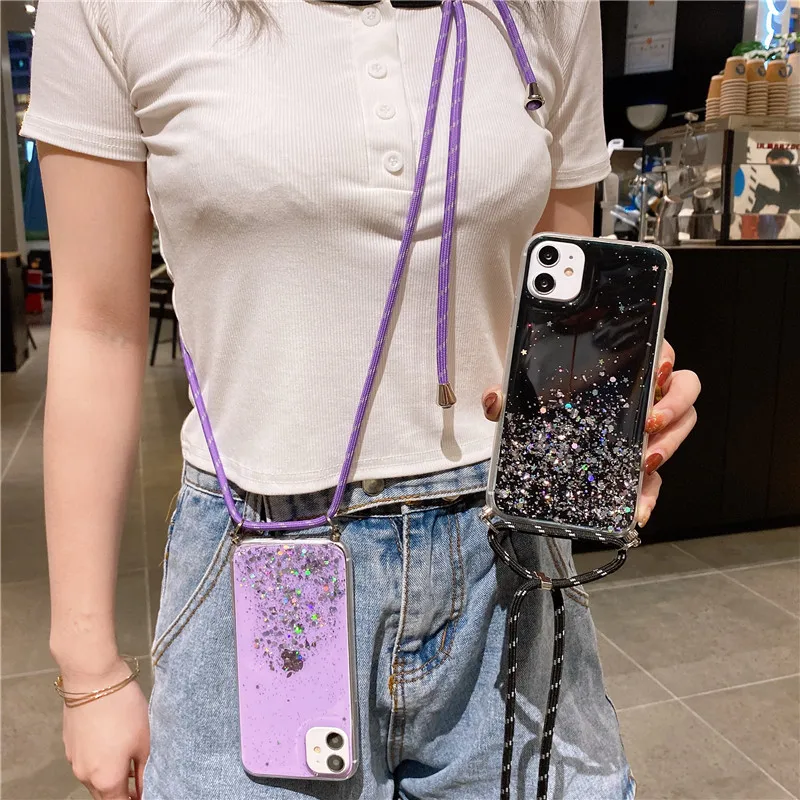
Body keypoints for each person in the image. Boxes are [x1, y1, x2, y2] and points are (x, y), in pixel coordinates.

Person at [23, 1, 700, 798]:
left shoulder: (548, 8)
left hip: (504, 562)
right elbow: (98, 327)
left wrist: (606, 411)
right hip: (260, 553)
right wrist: (87, 667)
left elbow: (557, 301)